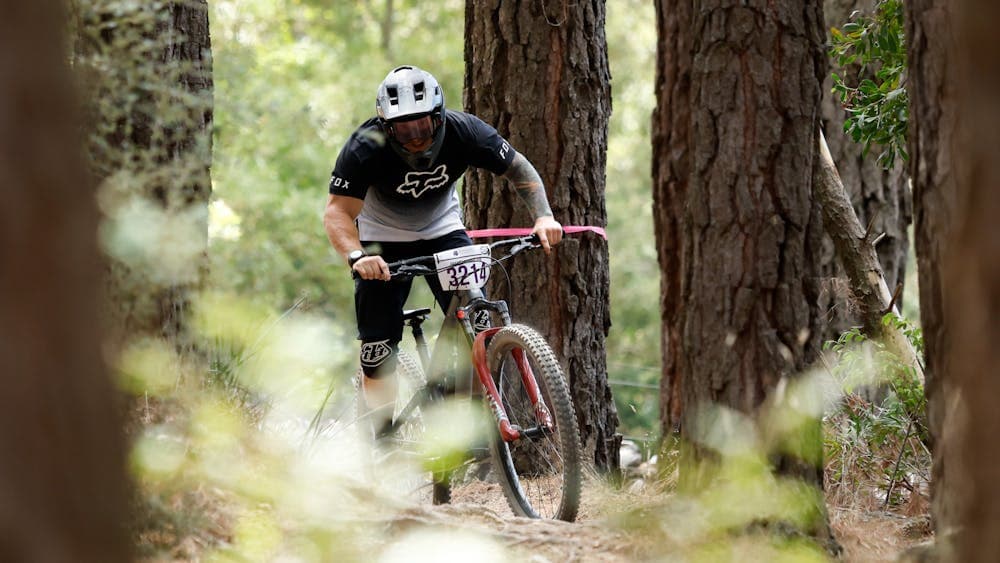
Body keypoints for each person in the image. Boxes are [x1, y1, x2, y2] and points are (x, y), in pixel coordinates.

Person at [323, 65, 562, 426]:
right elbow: (337, 212)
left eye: (423, 124)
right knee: (378, 349)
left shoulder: (466, 131)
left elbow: (519, 169)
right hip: (380, 240)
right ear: (386, 127)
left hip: (443, 231)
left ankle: (461, 415)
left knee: (479, 318)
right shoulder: (364, 146)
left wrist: (543, 216)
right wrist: (357, 256)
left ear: (439, 116)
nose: (416, 136)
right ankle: (381, 435)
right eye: (404, 128)